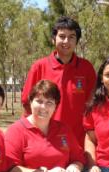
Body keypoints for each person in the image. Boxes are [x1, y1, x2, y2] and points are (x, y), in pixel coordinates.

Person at [21, 16, 97, 148]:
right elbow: (27, 102)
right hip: (44, 141)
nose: (66, 41)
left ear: (77, 41)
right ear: (53, 39)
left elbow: (94, 105)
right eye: (62, 36)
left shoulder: (86, 68)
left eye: (71, 37)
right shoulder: (39, 66)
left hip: (77, 143)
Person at [5, 80, 86, 172]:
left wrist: (75, 166)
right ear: (30, 102)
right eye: (39, 101)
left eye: (49, 102)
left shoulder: (64, 130)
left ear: (56, 106)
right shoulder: (16, 131)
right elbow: (11, 169)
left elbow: (79, 158)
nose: (43, 107)